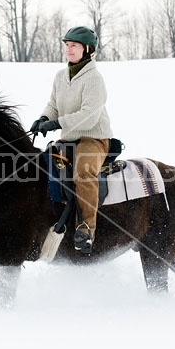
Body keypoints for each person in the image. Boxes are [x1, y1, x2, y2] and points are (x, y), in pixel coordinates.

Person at [30, 26, 113, 254]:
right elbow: (54, 105)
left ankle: (86, 228)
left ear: (88, 50)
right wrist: (44, 118)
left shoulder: (94, 78)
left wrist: (56, 124)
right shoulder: (60, 76)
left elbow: (89, 116)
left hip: (93, 138)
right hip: (69, 138)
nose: (69, 49)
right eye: (67, 45)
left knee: (83, 171)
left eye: (74, 45)